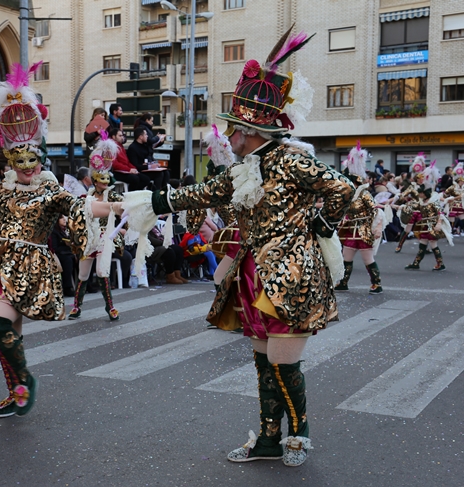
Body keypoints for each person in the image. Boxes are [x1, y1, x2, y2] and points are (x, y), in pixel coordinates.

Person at [123, 28, 354, 467]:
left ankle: (299, 434)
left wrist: (321, 224)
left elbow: (344, 189)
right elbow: (200, 194)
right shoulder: (244, 168)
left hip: (292, 274)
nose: (228, 136)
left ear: (249, 131)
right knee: (264, 367)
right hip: (253, 272)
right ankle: (268, 439)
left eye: (233, 129)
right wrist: (149, 202)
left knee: (285, 367)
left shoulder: (293, 160)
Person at [0, 62, 122, 419]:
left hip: (29, 268)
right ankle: (16, 391)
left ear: (39, 157)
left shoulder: (51, 190)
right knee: (9, 334)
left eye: (32, 160)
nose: (27, 166)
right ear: (8, 158)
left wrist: (116, 204)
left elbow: (81, 206)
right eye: (19, 161)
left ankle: (24, 382)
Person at [69, 134, 127, 321]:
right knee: (84, 274)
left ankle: (110, 308)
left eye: (107, 179)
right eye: (101, 179)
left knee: (103, 272)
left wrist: (123, 226)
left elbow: (125, 209)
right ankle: (76, 307)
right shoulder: (85, 199)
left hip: (105, 238)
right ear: (94, 180)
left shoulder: (114, 198)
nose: (105, 182)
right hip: (89, 239)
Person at [335, 143, 385, 293]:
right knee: (346, 257)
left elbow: (376, 210)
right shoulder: (348, 195)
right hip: (350, 230)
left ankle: (377, 284)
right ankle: (343, 282)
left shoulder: (364, 194)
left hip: (363, 230)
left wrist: (377, 228)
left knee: (367, 259)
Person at [401, 163, 452, 271]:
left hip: (432, 225)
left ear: (425, 194)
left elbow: (440, 213)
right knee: (422, 244)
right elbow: (413, 207)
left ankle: (440, 263)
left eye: (420, 193)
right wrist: (399, 207)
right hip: (424, 225)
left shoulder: (434, 201)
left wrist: (438, 224)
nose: (418, 195)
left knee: (433, 244)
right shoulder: (421, 201)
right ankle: (416, 263)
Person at [147, 219, 187, 285]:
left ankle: (177, 274)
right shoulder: (143, 226)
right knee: (169, 251)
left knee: (178, 249)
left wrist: (166, 240)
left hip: (160, 245)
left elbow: (160, 235)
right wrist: (163, 242)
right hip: (151, 248)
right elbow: (150, 239)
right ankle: (170, 276)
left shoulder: (153, 225)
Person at [49, 214, 77, 297]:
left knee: (80, 259)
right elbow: (55, 247)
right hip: (59, 255)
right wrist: (65, 244)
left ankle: (83, 285)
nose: (64, 219)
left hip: (67, 253)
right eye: (61, 218)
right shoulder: (54, 232)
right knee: (67, 261)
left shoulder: (64, 230)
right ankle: (67, 287)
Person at [442, 161, 464, 240]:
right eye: (461, 181)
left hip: (461, 206)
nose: (462, 182)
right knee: (452, 222)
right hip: (453, 205)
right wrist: (449, 199)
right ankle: (449, 236)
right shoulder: (452, 187)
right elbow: (445, 195)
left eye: (463, 181)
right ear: (457, 181)